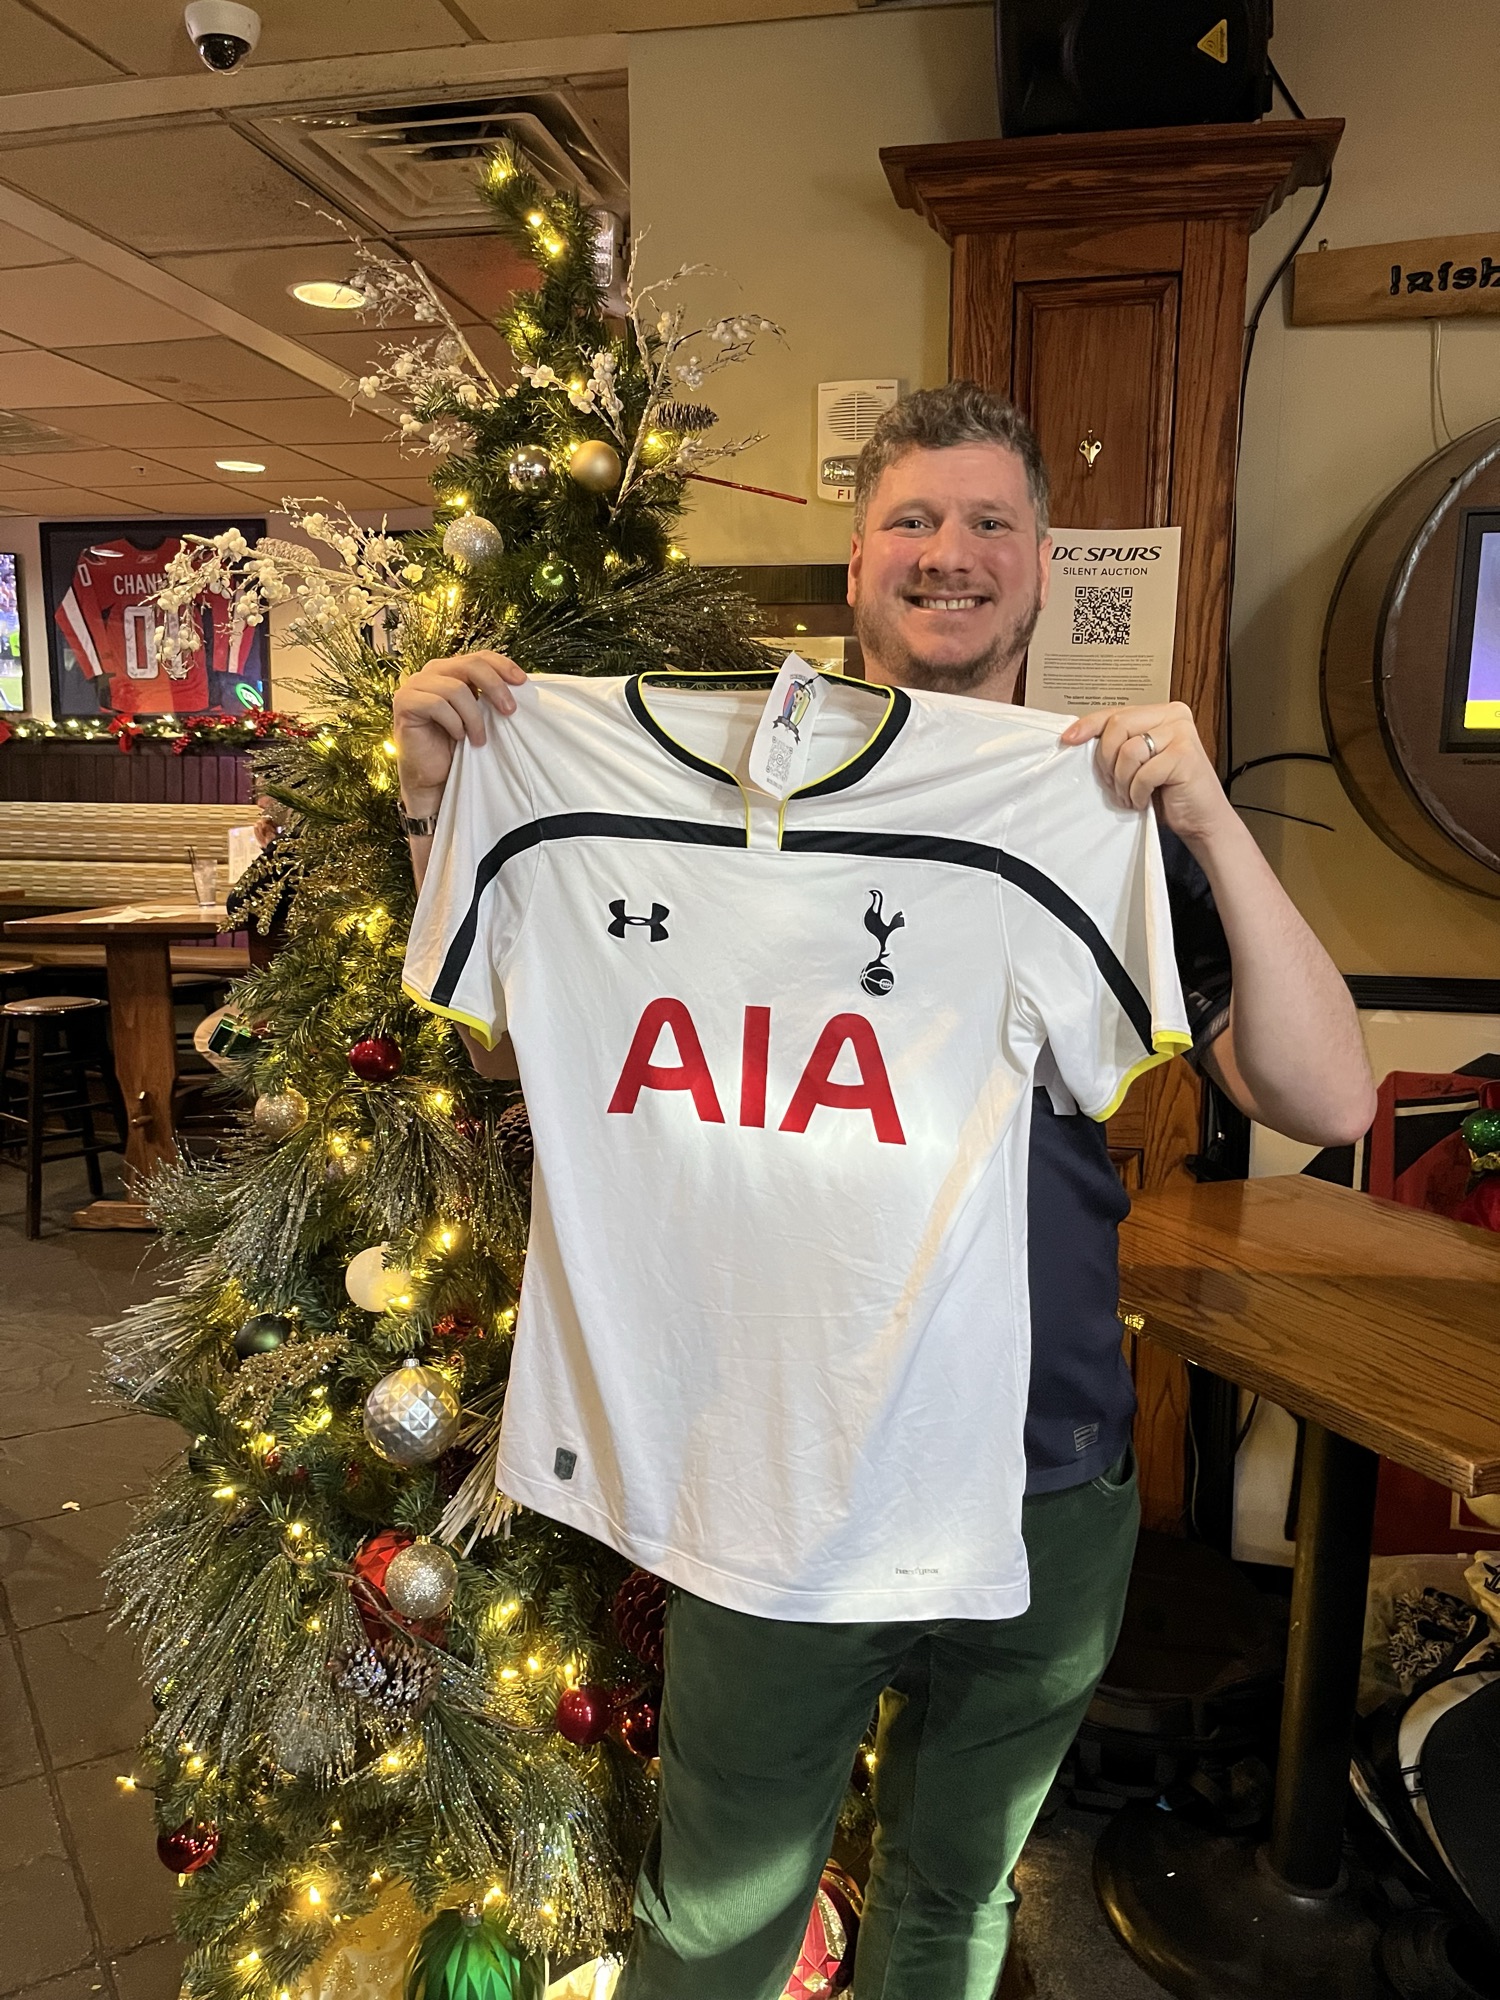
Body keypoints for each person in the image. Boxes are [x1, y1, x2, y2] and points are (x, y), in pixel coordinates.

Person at [391, 382, 1375, 2000]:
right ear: (856, 567)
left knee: (954, 1904)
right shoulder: (694, 802)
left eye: (990, 522)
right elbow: (536, 1055)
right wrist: (444, 799)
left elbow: (1328, 1098)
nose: (949, 553)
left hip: (1045, 1453)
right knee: (718, 1918)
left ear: (1042, 566)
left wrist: (1202, 814)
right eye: (911, 519)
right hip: (783, 1460)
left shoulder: (1092, 807)